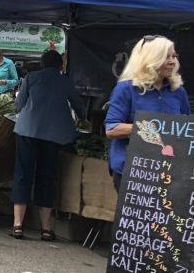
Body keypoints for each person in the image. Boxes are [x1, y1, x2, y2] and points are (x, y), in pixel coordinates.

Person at [11, 50, 86, 240]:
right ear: (60, 65)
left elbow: (19, 105)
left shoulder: (31, 77)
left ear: (42, 64)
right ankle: (45, 228)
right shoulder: (65, 81)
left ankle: (18, 225)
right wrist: (84, 119)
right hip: (54, 136)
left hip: (28, 131)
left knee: (23, 175)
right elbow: (79, 106)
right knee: (47, 178)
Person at [105, 36, 189, 192]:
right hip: (133, 170)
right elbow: (111, 129)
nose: (172, 61)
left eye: (174, 56)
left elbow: (184, 129)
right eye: (166, 56)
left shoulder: (178, 91)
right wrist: (150, 128)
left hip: (167, 170)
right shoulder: (126, 89)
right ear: (151, 59)